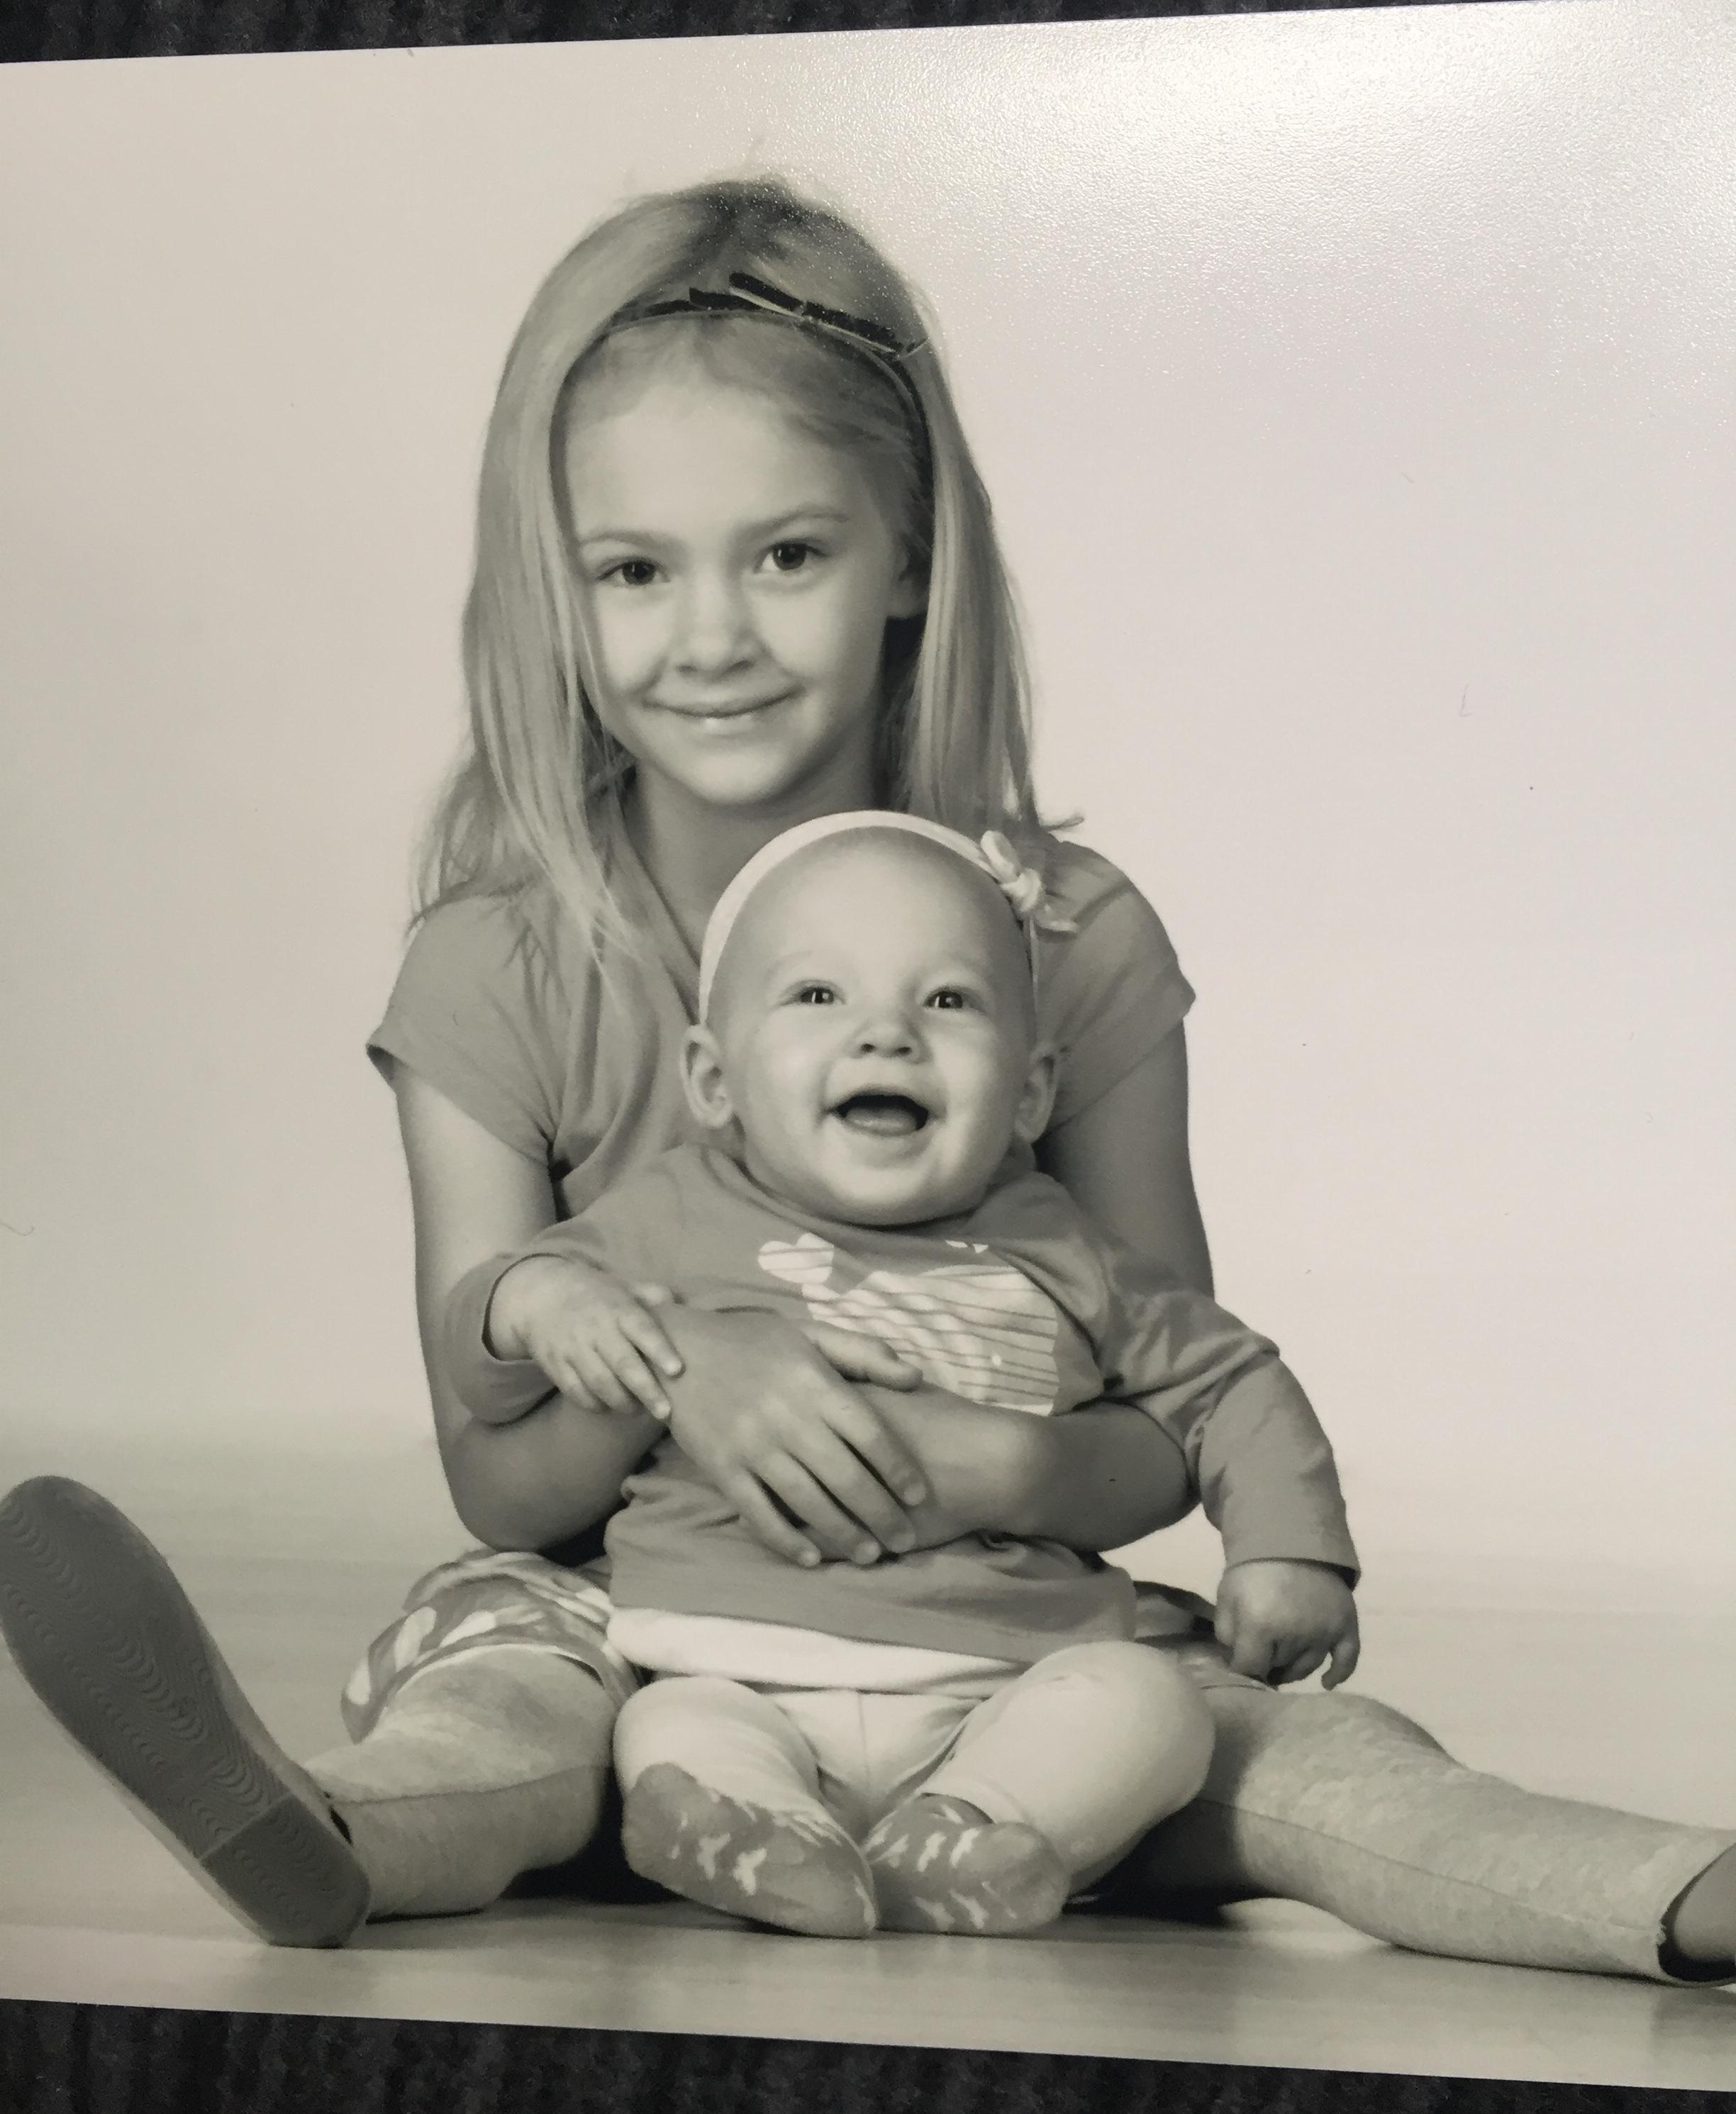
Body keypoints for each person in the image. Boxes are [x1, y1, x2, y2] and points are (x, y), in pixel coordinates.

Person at [1, 178, 1732, 1981]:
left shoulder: (1067, 941)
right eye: (634, 570)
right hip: (641, 1626)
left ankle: (1665, 1894)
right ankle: (336, 1829)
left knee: (1276, 1751)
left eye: (788, 556)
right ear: (553, 594)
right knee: (506, 1690)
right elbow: (502, 1486)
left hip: (993, 1647)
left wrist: (1004, 1465)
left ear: (908, 558)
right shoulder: (495, 969)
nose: (713, 637)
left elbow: (1169, 1410)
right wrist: (690, 1376)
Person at [452, 809, 1358, 1938]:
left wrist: (1287, 1550)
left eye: (948, 1001)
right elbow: (491, 1333)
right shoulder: (673, 1215)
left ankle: (967, 1831)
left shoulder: (1066, 1251)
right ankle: (754, 1829)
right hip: (731, 1657)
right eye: (817, 994)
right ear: (714, 1079)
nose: (886, 1035)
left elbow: (1228, 1382)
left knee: (1150, 1709)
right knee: (671, 1729)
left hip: (999, 1683)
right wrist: (542, 1302)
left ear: (1030, 1093)